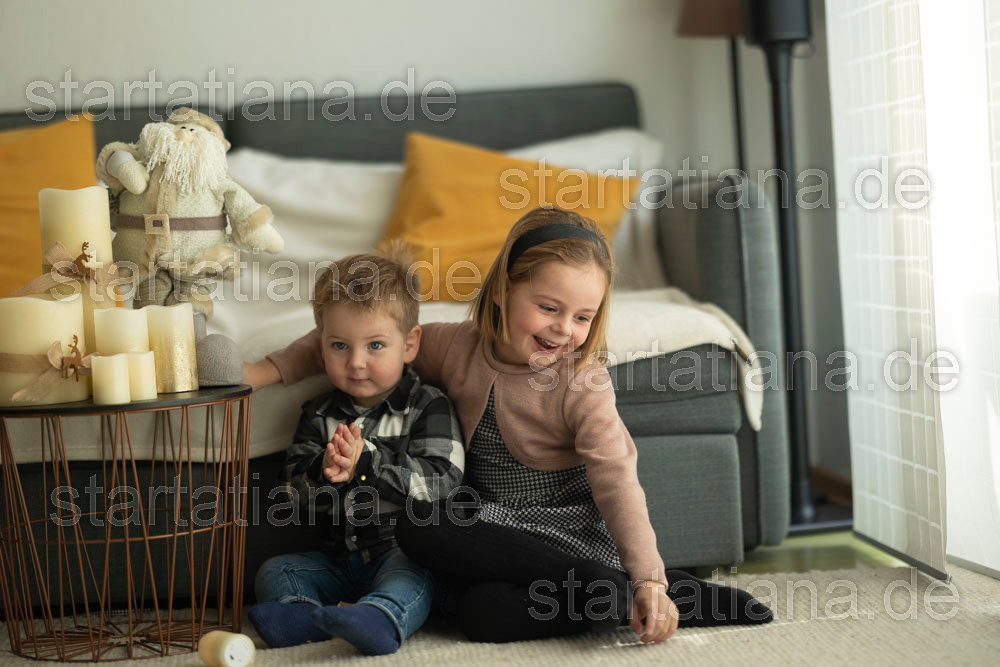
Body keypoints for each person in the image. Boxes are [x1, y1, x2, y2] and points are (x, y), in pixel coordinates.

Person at [245, 207, 773, 645]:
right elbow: (362, 331)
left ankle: (636, 589)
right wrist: (269, 370)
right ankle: (604, 596)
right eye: (548, 307)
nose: (563, 329)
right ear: (501, 290)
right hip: (496, 535)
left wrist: (650, 578)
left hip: (565, 533)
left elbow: (618, 482)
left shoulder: (582, 382)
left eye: (582, 317)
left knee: (424, 528)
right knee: (476, 612)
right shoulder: (457, 346)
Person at [247, 242, 465, 656]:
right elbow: (290, 494)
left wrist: (369, 464)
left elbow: (443, 484)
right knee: (277, 568)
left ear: (410, 343)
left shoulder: (428, 405)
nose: (356, 362)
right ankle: (301, 615)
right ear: (321, 345)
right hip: (340, 559)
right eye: (340, 346)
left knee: (414, 576)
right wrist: (323, 471)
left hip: (403, 551)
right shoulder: (319, 413)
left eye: (375, 345)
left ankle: (381, 617)